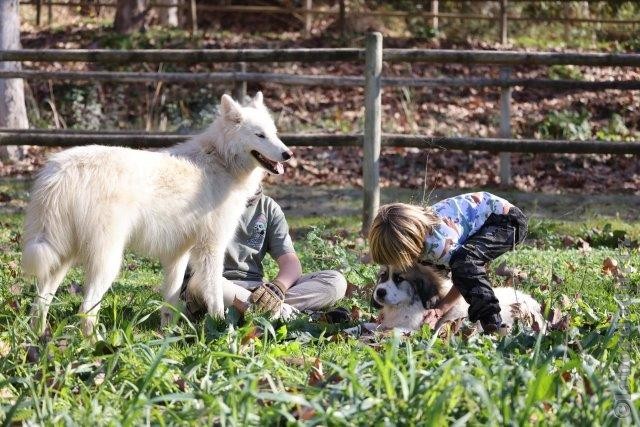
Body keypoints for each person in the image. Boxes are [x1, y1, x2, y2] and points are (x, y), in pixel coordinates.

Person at [367, 192, 528, 333]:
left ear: (408, 244)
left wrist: (440, 309)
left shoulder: (440, 244)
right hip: (484, 218)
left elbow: (464, 275)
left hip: (506, 221)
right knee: (439, 267)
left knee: (465, 263)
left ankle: (491, 321)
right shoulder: (422, 240)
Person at [182, 187, 347, 319]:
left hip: (256, 290)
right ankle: (298, 317)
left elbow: (291, 263)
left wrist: (277, 288)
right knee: (205, 282)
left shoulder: (267, 207)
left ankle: (263, 311)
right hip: (212, 284)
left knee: (335, 281)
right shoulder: (200, 202)